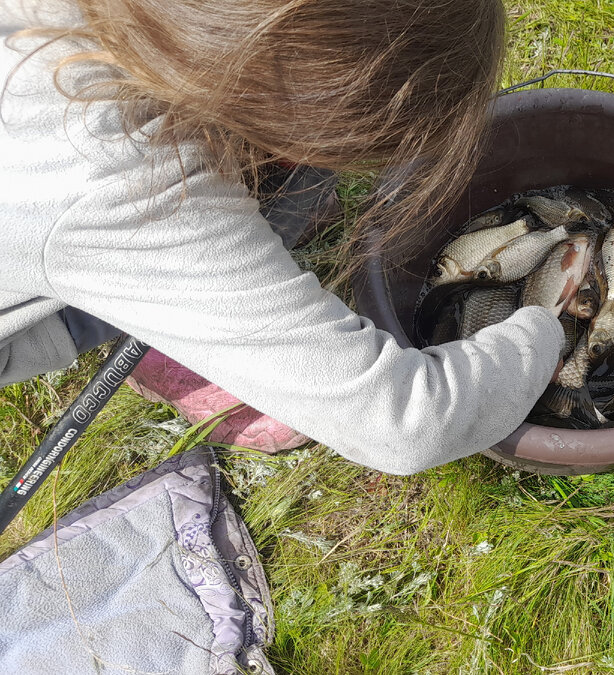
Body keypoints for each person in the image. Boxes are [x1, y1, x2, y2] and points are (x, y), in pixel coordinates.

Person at [0, 0, 566, 473]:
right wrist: (548, 324)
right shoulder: (124, 190)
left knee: (298, 174)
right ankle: (169, 338)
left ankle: (204, 306)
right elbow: (407, 424)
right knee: (284, 183)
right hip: (28, 297)